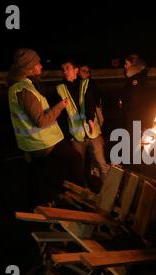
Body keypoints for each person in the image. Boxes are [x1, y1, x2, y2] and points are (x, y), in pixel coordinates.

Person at [7, 48, 85, 206]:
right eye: (38, 63)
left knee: (38, 173)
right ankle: (81, 197)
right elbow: (41, 121)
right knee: (74, 160)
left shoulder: (20, 86)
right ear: (30, 67)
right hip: (43, 142)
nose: (41, 66)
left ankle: (38, 204)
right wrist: (60, 106)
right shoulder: (24, 89)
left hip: (32, 143)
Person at [54, 59, 109, 182]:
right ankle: (84, 194)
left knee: (101, 165)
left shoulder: (86, 83)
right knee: (78, 169)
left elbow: (90, 101)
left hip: (92, 133)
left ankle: (109, 194)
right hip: (76, 137)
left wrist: (90, 119)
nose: (65, 71)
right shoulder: (60, 89)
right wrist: (69, 137)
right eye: (63, 69)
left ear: (76, 70)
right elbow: (61, 116)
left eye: (68, 68)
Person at [118, 54, 150, 135]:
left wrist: (126, 107)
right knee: (134, 137)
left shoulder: (136, 79)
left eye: (127, 64)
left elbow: (136, 98)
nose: (125, 66)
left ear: (133, 65)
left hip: (135, 115)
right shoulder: (133, 78)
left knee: (135, 138)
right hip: (133, 114)